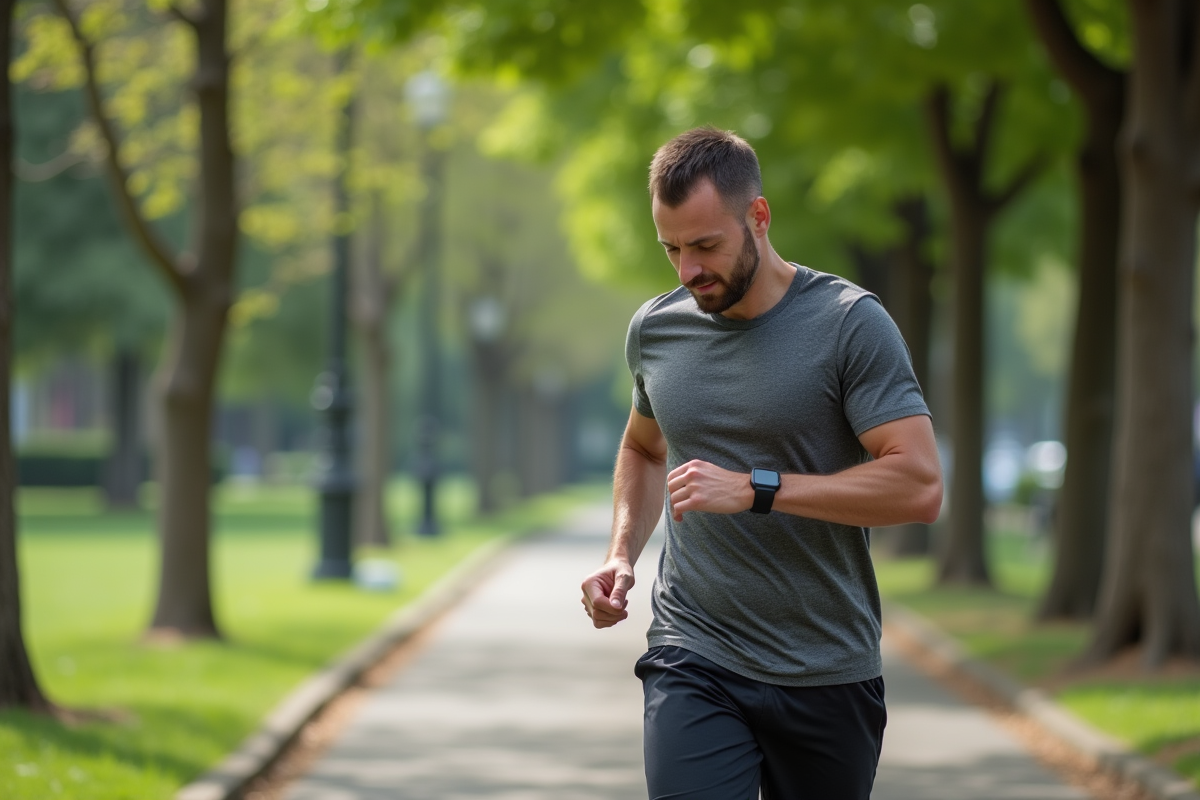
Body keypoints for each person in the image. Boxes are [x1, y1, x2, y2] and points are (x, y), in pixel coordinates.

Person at [579, 127, 943, 800]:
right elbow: (642, 446)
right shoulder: (657, 330)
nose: (688, 269)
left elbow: (919, 486)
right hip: (696, 652)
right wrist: (621, 552)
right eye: (672, 249)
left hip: (826, 667)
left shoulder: (848, 323)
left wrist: (758, 489)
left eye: (705, 245)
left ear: (759, 217)